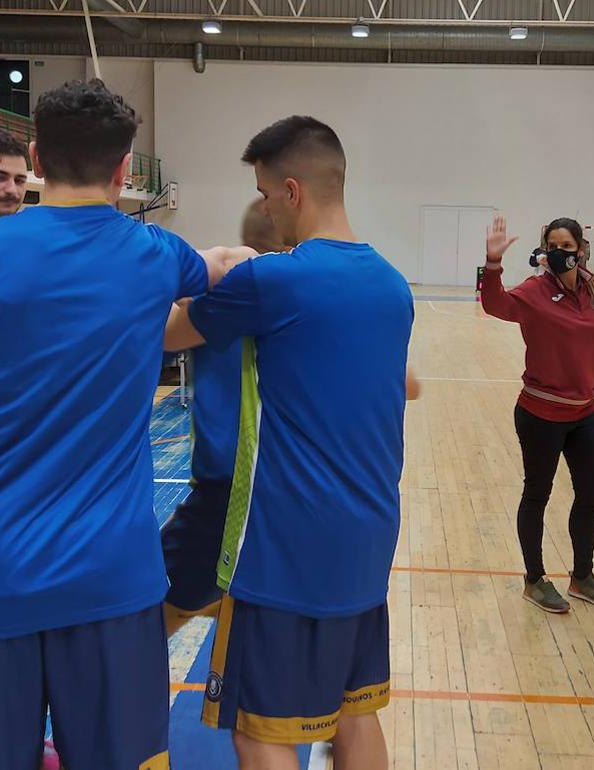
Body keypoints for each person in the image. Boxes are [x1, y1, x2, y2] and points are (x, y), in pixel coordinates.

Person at [0, 79, 240, 769]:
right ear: (124, 169)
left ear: (35, 158)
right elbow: (232, 268)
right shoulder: (156, 255)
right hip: (110, 578)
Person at [163, 115, 412, 770]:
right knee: (354, 716)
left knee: (258, 732)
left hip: (284, 547)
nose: (266, 210)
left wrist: (188, 268)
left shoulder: (270, 281)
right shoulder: (390, 284)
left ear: (293, 191)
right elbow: (407, 384)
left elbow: (168, 336)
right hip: (370, 535)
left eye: (268, 195)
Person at [478, 215, 594, 615]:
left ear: (581, 250)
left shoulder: (593, 290)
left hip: (584, 414)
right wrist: (493, 263)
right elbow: (494, 304)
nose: (560, 254)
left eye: (567, 248)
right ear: (544, 250)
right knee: (537, 494)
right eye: (553, 247)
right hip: (540, 413)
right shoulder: (534, 291)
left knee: (591, 494)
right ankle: (535, 580)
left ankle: (583, 577)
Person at [161, 199, 285, 638]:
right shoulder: (308, 301)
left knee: (143, 622)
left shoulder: (217, 297)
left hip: (228, 494)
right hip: (287, 493)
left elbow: (160, 334)